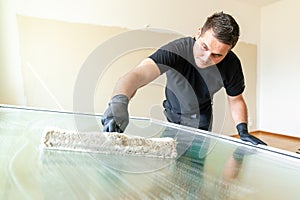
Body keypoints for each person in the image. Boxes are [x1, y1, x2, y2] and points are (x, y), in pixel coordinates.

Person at [101, 12, 267, 146]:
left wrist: (243, 131)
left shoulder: (231, 65)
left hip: (201, 118)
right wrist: (119, 102)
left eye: (217, 55)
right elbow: (138, 75)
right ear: (198, 32)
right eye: (204, 46)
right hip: (173, 115)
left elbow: (236, 99)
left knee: (196, 166)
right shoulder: (176, 51)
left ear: (228, 52)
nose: (207, 57)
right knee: (168, 159)